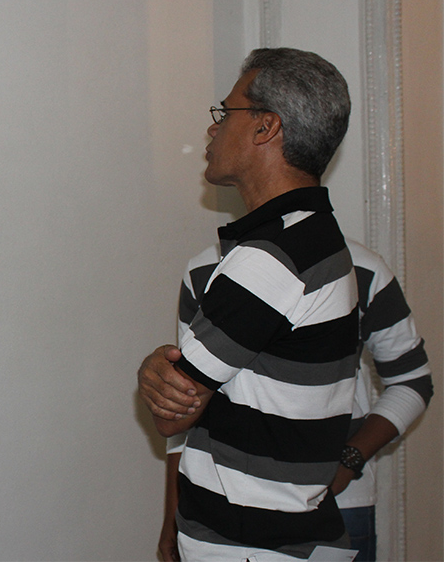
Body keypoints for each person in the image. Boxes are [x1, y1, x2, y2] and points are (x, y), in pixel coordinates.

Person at [142, 48, 360, 561]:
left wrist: (150, 373)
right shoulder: (312, 236)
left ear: (266, 127)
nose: (212, 130)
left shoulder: (271, 258)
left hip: (254, 546)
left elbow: (173, 418)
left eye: (225, 113)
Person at [144, 239, 433, 561]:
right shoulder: (205, 269)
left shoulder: (359, 266)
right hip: (217, 508)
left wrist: (349, 461)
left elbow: (411, 379)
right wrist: (173, 509)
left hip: (335, 503)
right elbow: (184, 399)